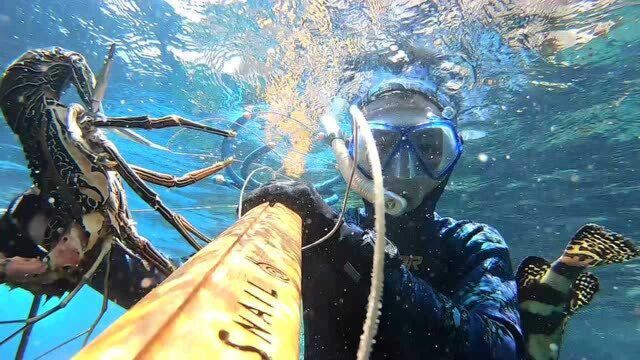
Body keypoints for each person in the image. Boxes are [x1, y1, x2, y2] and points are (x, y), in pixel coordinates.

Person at [241, 76, 524, 359]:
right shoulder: (320, 230)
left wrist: (354, 248)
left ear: (453, 153)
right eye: (380, 146)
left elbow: (501, 351)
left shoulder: (471, 242)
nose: (404, 171)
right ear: (352, 157)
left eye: (427, 147)